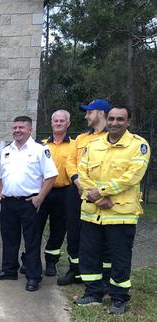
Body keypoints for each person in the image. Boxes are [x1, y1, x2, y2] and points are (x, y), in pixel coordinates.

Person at [74, 106, 149, 315]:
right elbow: (83, 171)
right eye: (112, 119)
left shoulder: (138, 146)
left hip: (120, 214)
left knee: (120, 257)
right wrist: (98, 197)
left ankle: (119, 298)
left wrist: (103, 192)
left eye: (120, 119)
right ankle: (93, 293)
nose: (115, 122)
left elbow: (133, 176)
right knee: (90, 255)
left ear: (128, 122)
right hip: (92, 212)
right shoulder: (94, 145)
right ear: (106, 120)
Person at [0, 116, 57, 292]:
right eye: (15, 127)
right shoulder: (6, 150)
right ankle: (9, 269)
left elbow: (51, 176)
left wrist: (40, 198)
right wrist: (1, 193)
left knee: (31, 241)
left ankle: (34, 276)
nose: (17, 130)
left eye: (21, 127)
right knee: (9, 239)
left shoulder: (40, 149)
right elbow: (1, 176)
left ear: (29, 129)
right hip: (8, 202)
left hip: (29, 202)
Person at [59, 99, 110, 286]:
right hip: (77, 189)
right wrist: (76, 180)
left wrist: (95, 188)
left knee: (99, 233)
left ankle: (103, 275)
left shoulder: (112, 138)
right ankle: (76, 271)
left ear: (101, 114)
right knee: (74, 231)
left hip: (102, 192)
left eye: (89, 112)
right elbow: (70, 162)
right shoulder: (81, 138)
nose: (86, 115)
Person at [33, 110, 75, 277]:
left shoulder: (74, 145)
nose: (58, 123)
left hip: (64, 192)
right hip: (42, 192)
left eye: (62, 121)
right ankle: (31, 260)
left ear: (68, 124)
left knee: (58, 229)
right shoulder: (40, 145)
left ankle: (51, 261)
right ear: (51, 123)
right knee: (35, 227)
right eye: (55, 120)